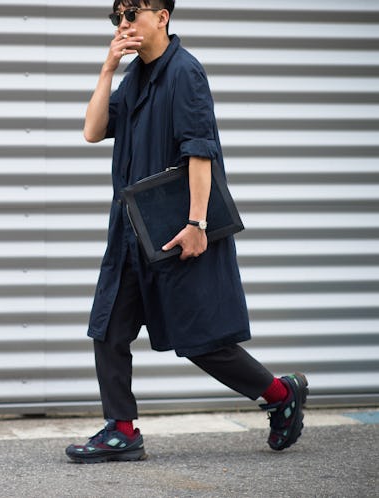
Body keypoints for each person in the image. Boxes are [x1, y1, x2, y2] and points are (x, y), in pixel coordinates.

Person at [65, 0, 309, 464]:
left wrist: (197, 223)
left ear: (163, 16)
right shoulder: (134, 76)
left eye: (133, 12)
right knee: (109, 328)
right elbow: (93, 131)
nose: (124, 23)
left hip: (177, 229)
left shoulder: (185, 74)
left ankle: (280, 394)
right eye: (117, 15)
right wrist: (107, 68)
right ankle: (121, 430)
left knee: (202, 340)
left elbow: (201, 153)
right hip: (132, 231)